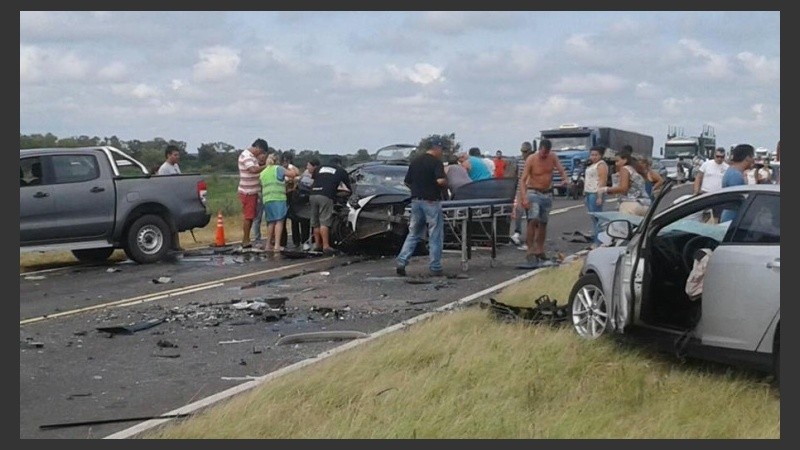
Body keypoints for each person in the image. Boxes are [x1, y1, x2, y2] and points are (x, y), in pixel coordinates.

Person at [395, 135, 448, 277]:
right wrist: (446, 183)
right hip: (431, 201)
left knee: (414, 233)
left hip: (416, 201)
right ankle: (435, 266)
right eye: (442, 149)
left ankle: (401, 261)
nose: (442, 152)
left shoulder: (415, 162)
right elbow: (440, 181)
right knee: (435, 234)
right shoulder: (436, 163)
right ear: (437, 148)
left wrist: (416, 189)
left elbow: (407, 181)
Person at [519, 139, 568, 266]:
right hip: (533, 191)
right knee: (533, 219)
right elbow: (523, 180)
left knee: (543, 222)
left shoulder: (552, 157)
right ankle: (530, 250)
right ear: (539, 149)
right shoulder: (531, 159)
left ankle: (539, 249)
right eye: (542, 153)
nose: (544, 156)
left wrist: (564, 179)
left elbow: (561, 170)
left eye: (546, 153)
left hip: (547, 193)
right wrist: (524, 197)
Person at [309, 156, 352, 255]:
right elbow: (349, 187)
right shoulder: (341, 170)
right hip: (326, 195)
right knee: (324, 221)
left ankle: (317, 244)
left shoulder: (320, 168)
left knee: (315, 222)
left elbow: (315, 179)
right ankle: (326, 246)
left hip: (313, 194)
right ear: (339, 164)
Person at [259, 153, 297, 253]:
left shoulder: (263, 172)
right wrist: (291, 167)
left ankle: (268, 245)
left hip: (267, 199)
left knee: (271, 222)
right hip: (278, 198)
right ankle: (277, 245)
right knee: (279, 221)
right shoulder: (278, 169)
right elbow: (293, 174)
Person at [237, 138, 269, 251]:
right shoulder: (247, 156)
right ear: (258, 148)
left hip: (253, 191)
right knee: (249, 217)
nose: (260, 154)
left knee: (251, 217)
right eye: (261, 152)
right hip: (248, 191)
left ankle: (246, 239)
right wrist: (267, 166)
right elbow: (253, 169)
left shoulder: (252, 157)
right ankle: (245, 240)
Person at [598, 151, 650, 217]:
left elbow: (623, 188)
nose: (616, 164)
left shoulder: (625, 169)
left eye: (617, 161)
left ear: (625, 160)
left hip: (630, 204)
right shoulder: (636, 171)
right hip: (645, 205)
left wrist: (605, 189)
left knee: (622, 223)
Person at [156, 144, 185, 251]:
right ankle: (172, 246)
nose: (177, 157)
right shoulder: (164, 169)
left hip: (176, 198)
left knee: (175, 223)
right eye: (175, 155)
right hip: (168, 199)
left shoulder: (176, 166)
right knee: (170, 224)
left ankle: (176, 245)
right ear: (168, 155)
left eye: (178, 155)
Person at [719, 144, 755, 222]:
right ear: (747, 157)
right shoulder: (735, 176)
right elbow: (739, 200)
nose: (753, 159)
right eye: (752, 156)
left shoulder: (732, 171)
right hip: (733, 219)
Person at [693, 147, 729, 221]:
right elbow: (698, 177)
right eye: (718, 156)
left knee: (717, 216)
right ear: (714, 155)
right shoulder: (706, 164)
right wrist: (696, 191)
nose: (719, 159)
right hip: (706, 193)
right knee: (705, 215)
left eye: (722, 157)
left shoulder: (727, 167)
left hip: (719, 195)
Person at [583, 146, 609, 247]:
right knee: (593, 218)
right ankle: (597, 239)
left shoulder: (601, 165)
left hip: (595, 193)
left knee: (597, 218)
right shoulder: (591, 165)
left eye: (596, 155)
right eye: (592, 155)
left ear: (601, 155)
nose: (593, 157)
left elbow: (602, 181)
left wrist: (599, 196)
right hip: (589, 192)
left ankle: (599, 241)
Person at [510, 141, 533, 248]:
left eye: (525, 151)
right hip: (520, 189)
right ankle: (517, 232)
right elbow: (515, 174)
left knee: (530, 213)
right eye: (522, 151)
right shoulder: (519, 161)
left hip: (531, 189)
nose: (523, 154)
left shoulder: (533, 160)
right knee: (519, 211)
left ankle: (530, 235)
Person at [250, 152, 268, 245]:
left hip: (268, 194)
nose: (262, 158)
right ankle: (257, 239)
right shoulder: (255, 168)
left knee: (269, 218)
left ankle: (271, 238)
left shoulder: (268, 168)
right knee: (257, 218)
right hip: (258, 193)